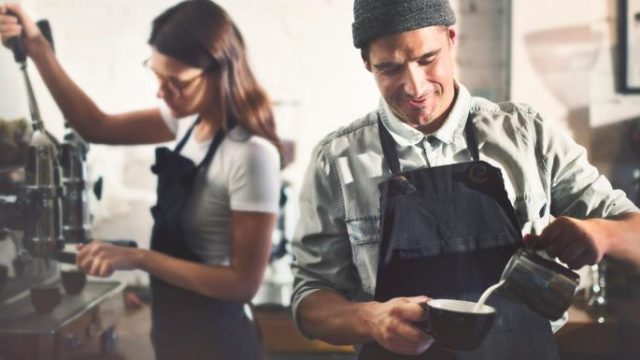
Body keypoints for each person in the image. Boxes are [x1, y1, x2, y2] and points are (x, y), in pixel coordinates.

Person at [290, 0, 640, 359]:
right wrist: (370, 319)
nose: (415, 87)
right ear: (367, 63)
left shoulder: (526, 134)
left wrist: (601, 233)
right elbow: (310, 300)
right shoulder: (336, 160)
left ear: (452, 39)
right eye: (390, 68)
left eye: (428, 59)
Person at [0, 1, 281, 359]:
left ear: (219, 72)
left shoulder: (251, 154)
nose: (162, 93)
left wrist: (140, 258)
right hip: (172, 336)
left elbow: (243, 283)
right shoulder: (186, 124)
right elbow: (95, 127)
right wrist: (37, 46)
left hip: (221, 343)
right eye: (157, 75)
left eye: (177, 82)